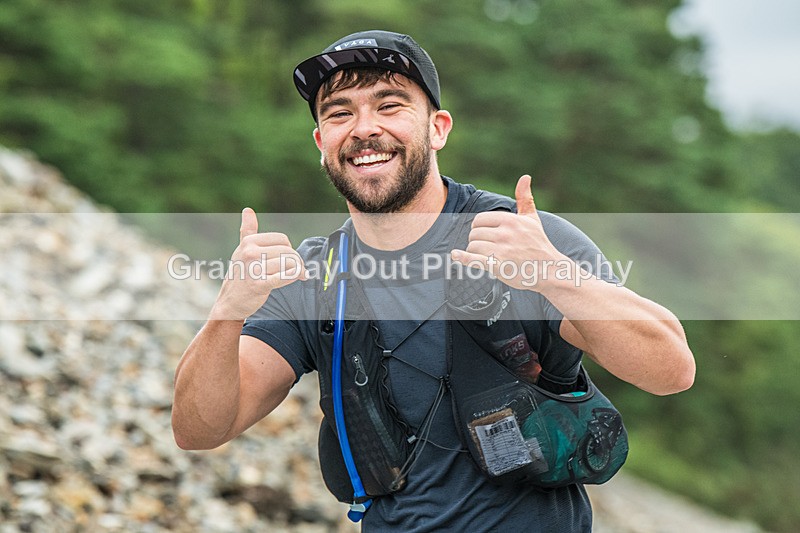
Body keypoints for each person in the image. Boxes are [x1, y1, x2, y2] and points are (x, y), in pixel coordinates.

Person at [172, 30, 695, 531]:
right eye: (339, 113)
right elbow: (199, 429)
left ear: (438, 128)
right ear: (321, 141)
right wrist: (228, 310)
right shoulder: (313, 278)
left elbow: (671, 369)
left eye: (390, 105)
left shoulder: (521, 238)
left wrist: (553, 275)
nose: (364, 128)